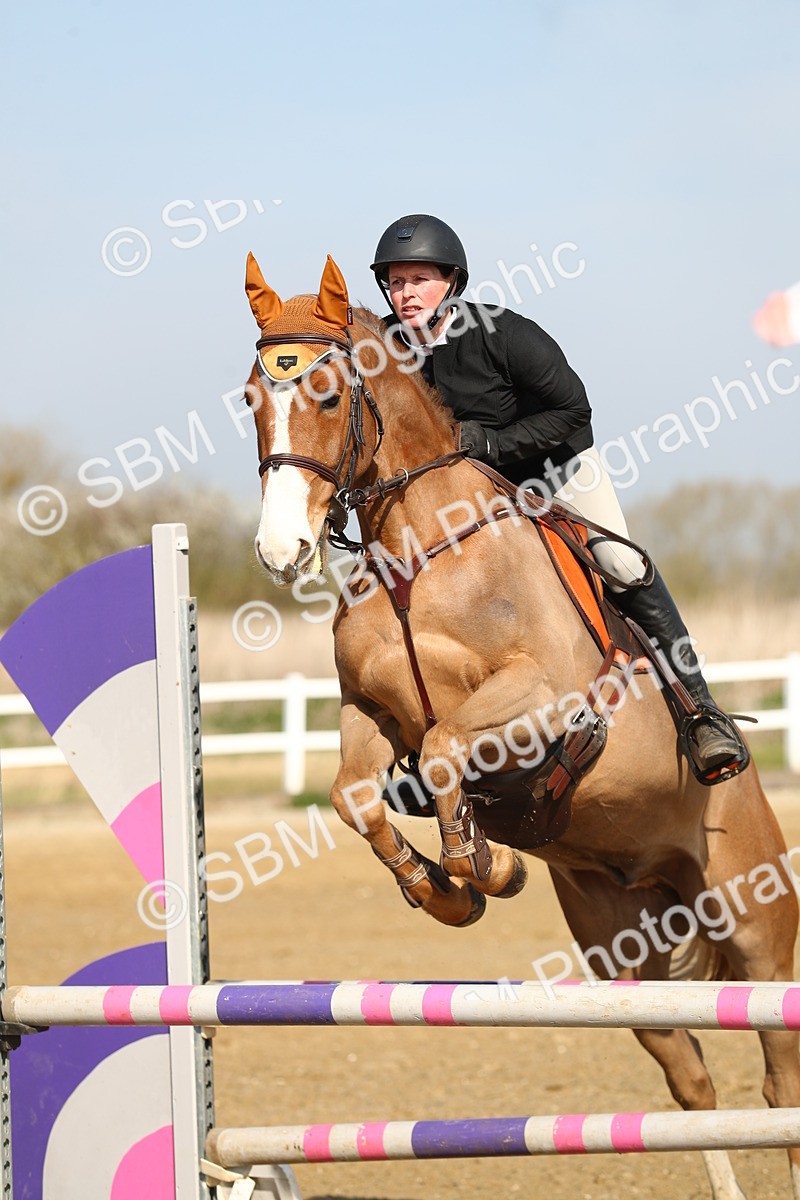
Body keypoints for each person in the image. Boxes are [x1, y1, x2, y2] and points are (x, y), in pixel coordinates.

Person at [369, 213, 749, 783]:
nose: (406, 294)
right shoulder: (388, 352)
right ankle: (425, 751)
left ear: (451, 282)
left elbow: (574, 411)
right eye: (396, 282)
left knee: (621, 563)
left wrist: (489, 441)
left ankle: (702, 713)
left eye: (419, 279)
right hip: (472, 496)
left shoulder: (505, 333)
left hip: (554, 469)